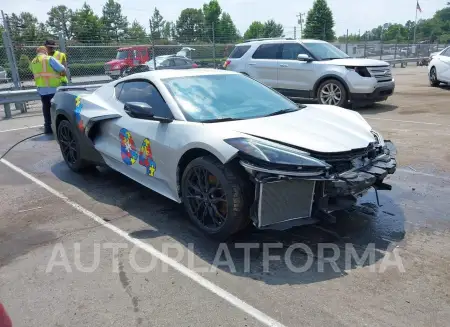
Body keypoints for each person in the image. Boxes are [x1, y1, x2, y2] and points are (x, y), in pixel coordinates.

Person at [29, 46, 66, 134]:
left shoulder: (33, 61)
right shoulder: (49, 58)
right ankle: (59, 129)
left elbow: (34, 71)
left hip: (41, 89)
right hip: (53, 88)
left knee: (46, 108)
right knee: (57, 108)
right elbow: (61, 68)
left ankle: (48, 128)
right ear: (45, 51)